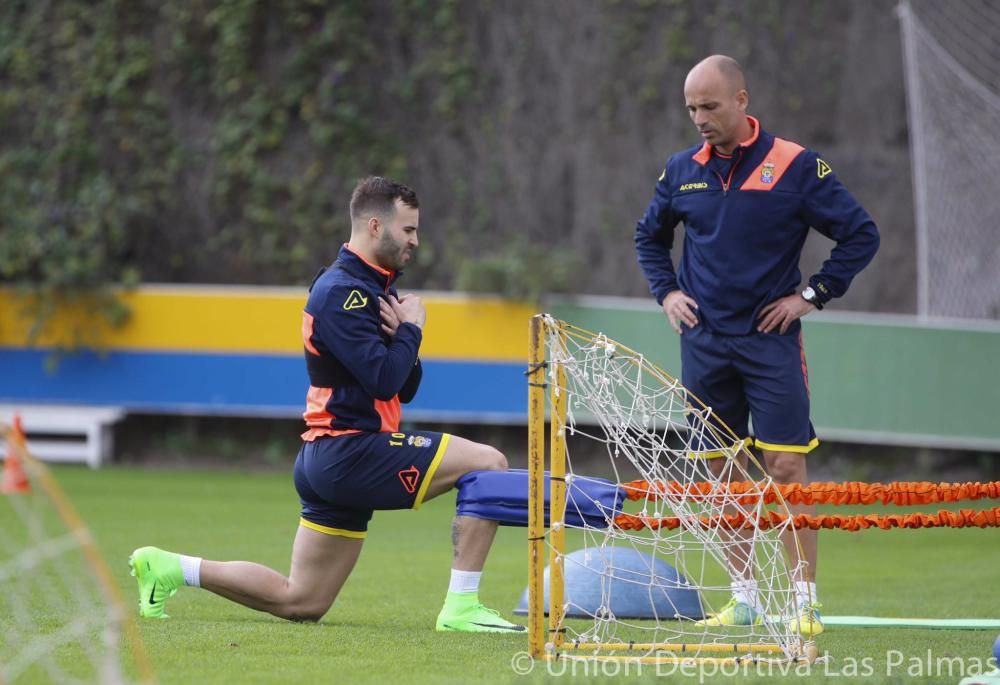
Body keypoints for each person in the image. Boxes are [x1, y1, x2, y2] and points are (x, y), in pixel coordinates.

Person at [130, 176, 524, 633]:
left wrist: (404, 336)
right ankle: (461, 608)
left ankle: (171, 567)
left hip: (332, 459)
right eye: (409, 229)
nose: (416, 241)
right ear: (376, 226)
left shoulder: (371, 289)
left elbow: (403, 385)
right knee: (488, 464)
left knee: (302, 600)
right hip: (350, 451)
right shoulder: (344, 293)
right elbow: (383, 381)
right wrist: (413, 330)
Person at [634, 55, 879, 637]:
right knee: (720, 474)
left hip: (769, 344)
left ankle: (804, 602)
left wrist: (811, 296)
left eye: (710, 106)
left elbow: (860, 234)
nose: (700, 118)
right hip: (704, 345)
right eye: (692, 108)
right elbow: (649, 236)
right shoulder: (680, 169)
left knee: (786, 467)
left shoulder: (797, 165)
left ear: (742, 100)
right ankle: (743, 596)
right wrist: (667, 293)